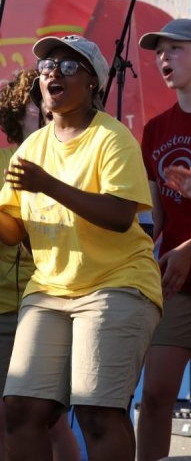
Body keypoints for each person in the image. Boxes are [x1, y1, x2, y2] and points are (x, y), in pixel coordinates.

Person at [0, 36, 163, 461]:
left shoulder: (113, 139)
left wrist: (49, 185)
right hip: (50, 289)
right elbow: (12, 229)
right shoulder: (33, 147)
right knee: (20, 409)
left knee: (97, 410)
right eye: (48, 66)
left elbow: (119, 216)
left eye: (70, 67)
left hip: (118, 283)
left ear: (94, 83)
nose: (53, 72)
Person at [0, 70, 80, 460]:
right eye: (36, 103)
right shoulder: (12, 158)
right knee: (24, 417)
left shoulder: (69, 155)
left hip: (40, 300)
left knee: (41, 416)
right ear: (18, 112)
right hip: (14, 303)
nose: (47, 109)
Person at [135, 19, 191, 461]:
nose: (164, 58)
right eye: (160, 51)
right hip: (177, 282)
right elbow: (155, 220)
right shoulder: (155, 130)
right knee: (156, 396)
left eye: (175, 49)